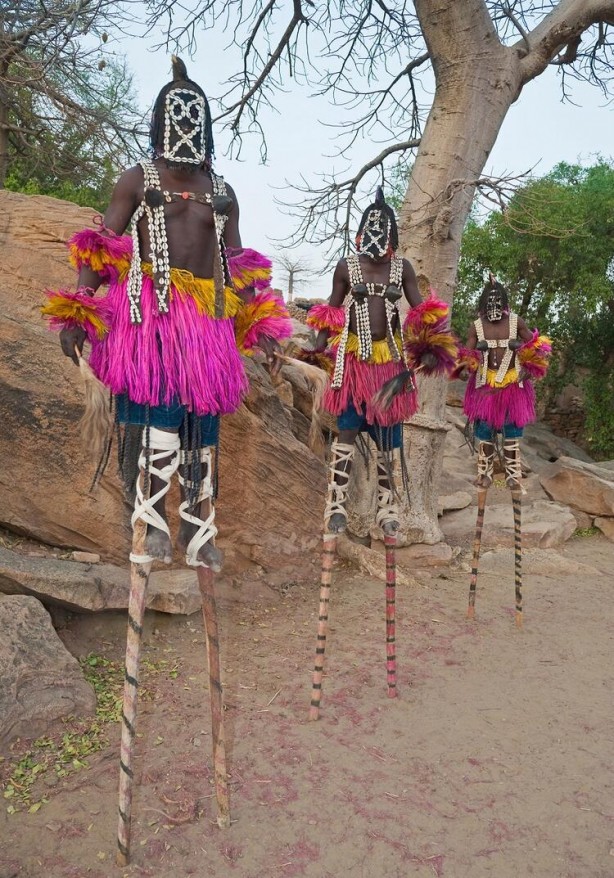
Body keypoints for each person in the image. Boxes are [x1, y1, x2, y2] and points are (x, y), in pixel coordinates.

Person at [43, 57, 292, 571]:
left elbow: (239, 264)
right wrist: (78, 313)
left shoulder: (222, 193)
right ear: (159, 124)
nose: (185, 127)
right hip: (149, 313)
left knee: (202, 414)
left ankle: (197, 524)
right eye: (176, 117)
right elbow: (102, 246)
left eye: (193, 117)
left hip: (205, 320)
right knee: (159, 406)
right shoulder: (137, 179)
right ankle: (152, 516)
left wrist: (262, 325)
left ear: (206, 126)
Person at [305, 187, 457, 536]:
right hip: (354, 362)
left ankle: (387, 509)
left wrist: (434, 344)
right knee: (347, 429)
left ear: (392, 234)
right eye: (370, 226)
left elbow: (421, 309)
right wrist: (318, 345)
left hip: (389, 363)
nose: (375, 231)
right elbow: (333, 307)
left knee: (388, 437)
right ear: (360, 232)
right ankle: (336, 506)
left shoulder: (402, 268)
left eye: (382, 226)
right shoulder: (347, 266)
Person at [458, 274, 551, 489]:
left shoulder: (516, 322)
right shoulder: (476, 326)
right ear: (483, 303)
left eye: (497, 302)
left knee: (511, 432)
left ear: (505, 303)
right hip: (485, 385)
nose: (493, 306)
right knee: (485, 433)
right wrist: (463, 369)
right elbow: (467, 355)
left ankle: (512, 474)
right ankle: (485, 473)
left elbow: (537, 347)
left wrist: (530, 367)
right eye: (489, 302)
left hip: (512, 384)